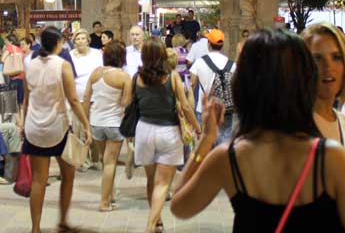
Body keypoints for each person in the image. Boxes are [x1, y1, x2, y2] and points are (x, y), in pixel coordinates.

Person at [171, 28, 345, 233]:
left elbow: (179, 206)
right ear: (303, 82)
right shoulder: (331, 158)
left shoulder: (229, 158)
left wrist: (207, 139)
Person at [21, 26, 92, 233]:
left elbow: (26, 100)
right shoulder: (62, 65)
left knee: (38, 181)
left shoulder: (30, 65)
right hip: (57, 126)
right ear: (58, 44)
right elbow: (73, 99)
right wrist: (86, 125)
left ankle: (35, 228)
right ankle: (63, 221)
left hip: (34, 126)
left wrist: (24, 124)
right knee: (68, 175)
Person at [134, 38, 199, 233]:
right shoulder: (172, 77)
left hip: (144, 130)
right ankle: (150, 225)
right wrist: (197, 127)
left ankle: (157, 220)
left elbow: (127, 103)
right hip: (168, 132)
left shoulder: (137, 77)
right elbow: (186, 106)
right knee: (162, 184)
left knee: (150, 180)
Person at [82, 40, 132, 211]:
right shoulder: (124, 77)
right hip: (114, 123)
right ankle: (104, 202)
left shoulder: (95, 73)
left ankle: (110, 194)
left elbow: (86, 98)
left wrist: (85, 123)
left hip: (96, 122)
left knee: (105, 161)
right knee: (110, 162)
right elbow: (126, 102)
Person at [302, 23, 345, 161]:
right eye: (317, 59)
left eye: (336, 57)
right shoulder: (295, 126)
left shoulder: (340, 120)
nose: (328, 66)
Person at [189, 28, 237, 144]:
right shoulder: (232, 65)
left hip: (204, 108)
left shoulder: (200, 62)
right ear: (222, 45)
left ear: (209, 44)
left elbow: (192, 85)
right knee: (225, 142)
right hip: (226, 109)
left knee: (207, 142)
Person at [70, 29, 104, 101]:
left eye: (83, 38)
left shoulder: (97, 53)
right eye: (78, 39)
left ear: (88, 41)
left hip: (94, 96)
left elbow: (102, 71)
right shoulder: (70, 55)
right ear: (74, 42)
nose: (80, 41)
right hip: (76, 97)